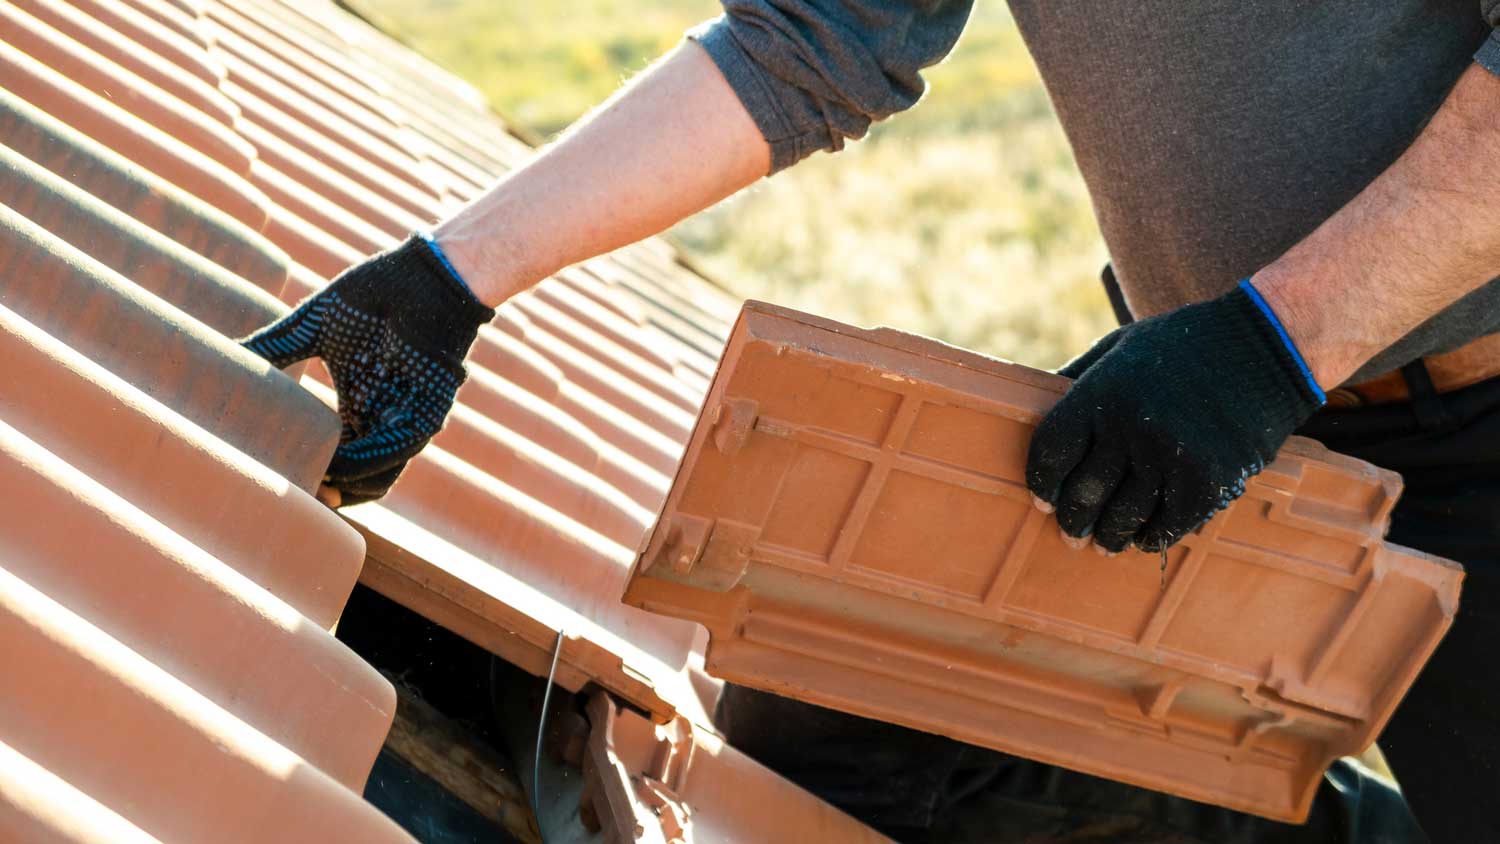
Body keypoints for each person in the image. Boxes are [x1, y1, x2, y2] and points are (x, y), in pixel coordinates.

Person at [242, 2, 1500, 840]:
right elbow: (817, 34)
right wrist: (447, 283)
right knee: (853, 715)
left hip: (1412, 398)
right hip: (1220, 398)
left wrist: (1274, 341)